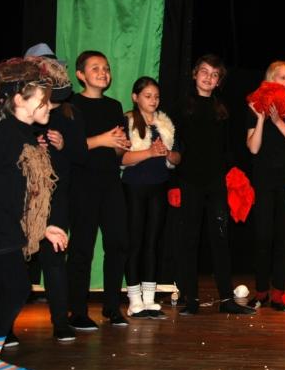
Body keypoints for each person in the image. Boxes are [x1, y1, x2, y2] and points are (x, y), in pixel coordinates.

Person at [0, 58, 68, 370]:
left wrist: (44, 227)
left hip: (5, 227)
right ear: (20, 100)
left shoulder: (24, 134)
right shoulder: (4, 135)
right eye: (43, 100)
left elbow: (28, 195)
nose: (48, 105)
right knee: (16, 288)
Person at [175, 54, 254, 316]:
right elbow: (175, 144)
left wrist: (232, 177)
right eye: (204, 72)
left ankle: (226, 299)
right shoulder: (182, 106)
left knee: (220, 239)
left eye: (214, 74)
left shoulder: (222, 109)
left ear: (219, 81)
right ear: (194, 74)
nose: (209, 77)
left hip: (216, 182)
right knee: (189, 240)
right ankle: (190, 298)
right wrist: (174, 182)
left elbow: (227, 148)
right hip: (189, 181)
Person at [67, 50, 131, 329]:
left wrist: (120, 145)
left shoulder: (114, 106)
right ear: (80, 75)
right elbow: (70, 148)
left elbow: (116, 151)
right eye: (95, 68)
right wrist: (102, 139)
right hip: (82, 184)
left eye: (106, 68)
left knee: (118, 243)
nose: (103, 72)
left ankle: (112, 307)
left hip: (110, 182)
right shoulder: (71, 105)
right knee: (82, 247)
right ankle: (77, 311)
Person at [27, 54, 86, 342]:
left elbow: (81, 155)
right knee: (19, 259)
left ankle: (61, 321)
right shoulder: (23, 111)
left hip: (58, 194)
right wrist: (32, 145)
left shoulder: (69, 113)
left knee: (54, 258)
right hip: (27, 194)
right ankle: (4, 327)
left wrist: (63, 145)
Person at [246, 61, 285, 310]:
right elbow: (253, 148)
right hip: (263, 179)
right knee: (263, 235)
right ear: (271, 78)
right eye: (283, 77)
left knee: (283, 235)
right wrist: (262, 119)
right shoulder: (255, 106)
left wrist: (278, 120)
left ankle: (279, 292)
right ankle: (261, 291)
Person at [121, 77, 180, 318]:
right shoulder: (127, 121)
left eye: (156, 96)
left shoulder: (164, 124)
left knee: (153, 242)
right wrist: (149, 152)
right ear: (135, 97)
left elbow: (177, 158)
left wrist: (167, 153)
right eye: (147, 96)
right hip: (134, 187)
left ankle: (149, 298)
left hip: (158, 186)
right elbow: (121, 158)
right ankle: (134, 299)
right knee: (134, 242)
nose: (153, 100)